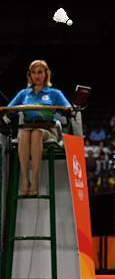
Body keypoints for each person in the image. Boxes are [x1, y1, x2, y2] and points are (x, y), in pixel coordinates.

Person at [7, 60, 71, 195]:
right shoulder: (23, 93)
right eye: (34, 72)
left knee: (36, 133)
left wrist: (66, 110)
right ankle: (25, 179)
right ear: (30, 75)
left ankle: (35, 180)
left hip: (48, 129)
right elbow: (9, 110)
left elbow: (68, 109)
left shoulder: (55, 93)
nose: (37, 75)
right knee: (24, 134)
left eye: (40, 72)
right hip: (27, 127)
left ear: (46, 74)